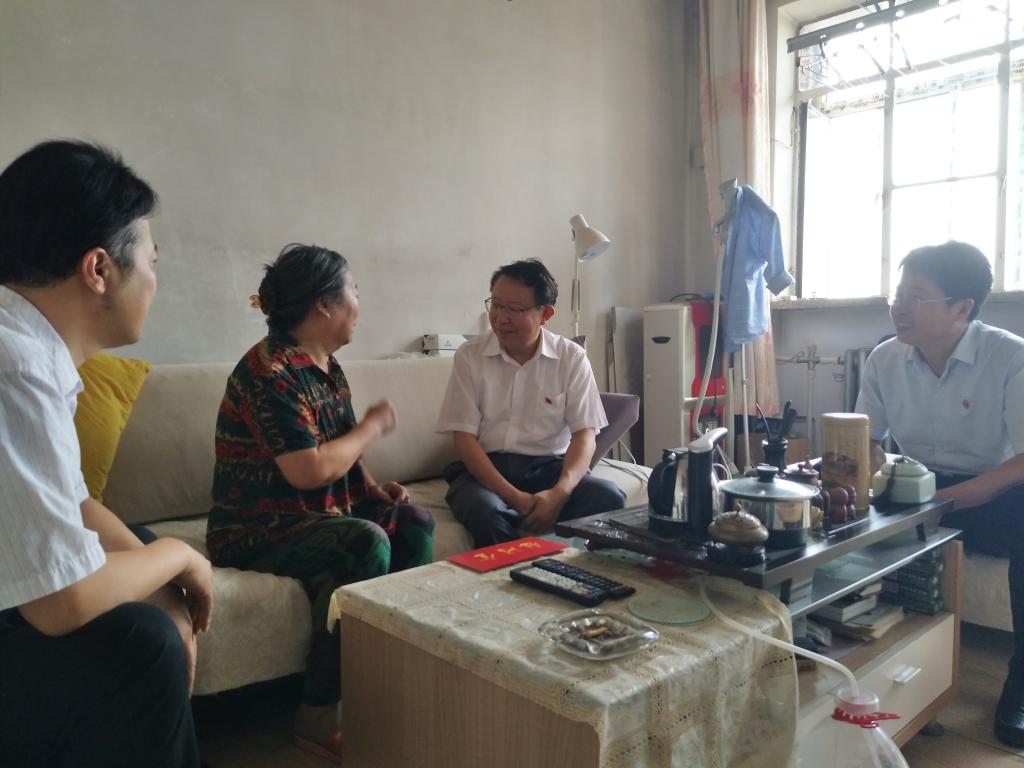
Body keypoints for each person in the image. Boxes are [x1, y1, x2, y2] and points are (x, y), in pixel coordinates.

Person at [0, 140, 213, 768]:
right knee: (142, 642)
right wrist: (180, 556)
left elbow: (72, 504)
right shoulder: (16, 367)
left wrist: (162, 574)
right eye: (152, 260)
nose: (155, 280)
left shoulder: (33, 352)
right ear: (99, 269)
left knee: (136, 554)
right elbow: (61, 602)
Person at [206, 243, 434, 762]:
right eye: (354, 291)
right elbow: (307, 469)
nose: (359, 303)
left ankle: (388, 684)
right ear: (324, 305)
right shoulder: (270, 371)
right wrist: (374, 426)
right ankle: (318, 713)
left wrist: (371, 488)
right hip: (257, 529)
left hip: (318, 517)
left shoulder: (326, 365)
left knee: (414, 522)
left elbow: (340, 444)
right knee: (363, 544)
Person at [856, 241, 1024, 747]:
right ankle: (873, 663)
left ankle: (1021, 682)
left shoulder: (1010, 357)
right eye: (898, 294)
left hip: (996, 490)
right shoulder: (884, 358)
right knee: (837, 521)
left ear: (962, 308)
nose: (899, 307)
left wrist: (950, 500)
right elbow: (867, 439)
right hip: (915, 484)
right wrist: (870, 475)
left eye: (917, 296)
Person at [437, 258, 626, 548]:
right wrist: (516, 498)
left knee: (608, 496)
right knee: (486, 512)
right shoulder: (470, 356)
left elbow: (585, 435)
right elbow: (463, 439)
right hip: (487, 472)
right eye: (496, 305)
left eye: (514, 309)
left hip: (549, 468)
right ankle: (514, 575)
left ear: (545, 314)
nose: (501, 318)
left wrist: (559, 494)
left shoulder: (571, 358)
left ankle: (579, 572)